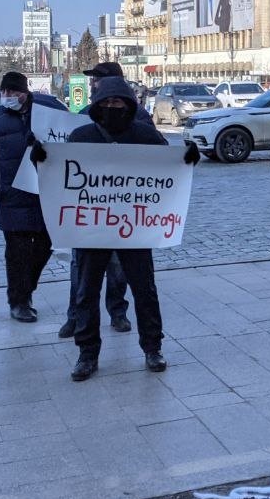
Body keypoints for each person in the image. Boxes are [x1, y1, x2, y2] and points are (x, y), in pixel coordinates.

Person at [51, 76, 199, 381]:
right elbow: (64, 172)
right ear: (96, 105)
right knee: (86, 292)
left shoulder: (146, 135)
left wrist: (188, 158)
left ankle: (152, 348)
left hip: (135, 227)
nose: (111, 107)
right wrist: (43, 159)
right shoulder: (81, 136)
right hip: (91, 228)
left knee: (145, 290)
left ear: (128, 104)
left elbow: (167, 169)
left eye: (117, 102)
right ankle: (86, 354)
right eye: (105, 102)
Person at [0, 71, 66, 323]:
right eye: (4, 92)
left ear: (25, 92)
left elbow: (70, 145)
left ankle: (27, 289)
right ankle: (18, 301)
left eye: (13, 91)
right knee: (17, 252)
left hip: (46, 195)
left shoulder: (46, 116)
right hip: (11, 196)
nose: (8, 96)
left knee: (44, 246)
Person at [57, 61, 147, 340]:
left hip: (125, 207)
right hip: (88, 208)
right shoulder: (85, 114)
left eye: (98, 79)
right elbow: (67, 157)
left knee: (119, 266)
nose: (93, 84)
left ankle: (117, 312)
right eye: (94, 80)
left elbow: (159, 158)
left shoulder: (140, 117)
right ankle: (76, 316)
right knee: (80, 268)